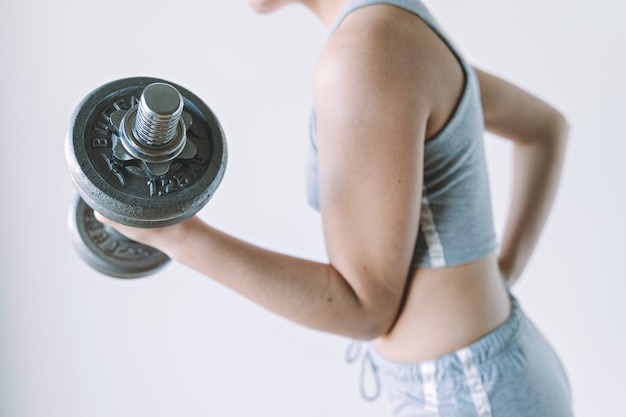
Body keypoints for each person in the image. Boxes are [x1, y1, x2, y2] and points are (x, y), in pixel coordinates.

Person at [96, 0, 573, 415]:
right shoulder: (395, 26)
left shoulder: (367, 51)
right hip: (490, 366)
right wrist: (498, 272)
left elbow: (366, 310)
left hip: (467, 393)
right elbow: (545, 128)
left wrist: (175, 235)